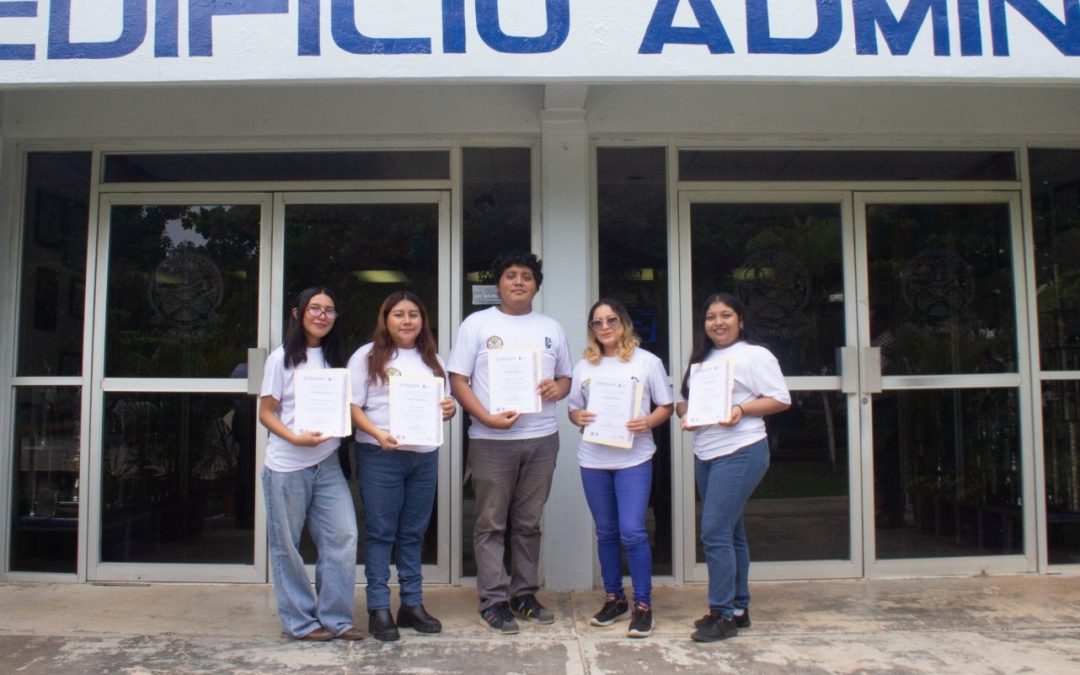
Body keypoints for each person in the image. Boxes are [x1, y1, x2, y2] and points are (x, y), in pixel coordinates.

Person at [447, 251, 572, 634]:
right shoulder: (477, 324)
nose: (519, 282)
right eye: (511, 275)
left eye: (526, 277)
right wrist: (484, 417)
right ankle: (493, 601)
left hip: (541, 439)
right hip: (490, 439)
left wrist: (557, 388)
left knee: (529, 523)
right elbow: (457, 379)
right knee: (490, 523)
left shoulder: (551, 327)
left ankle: (524, 595)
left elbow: (566, 378)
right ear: (498, 283)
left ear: (536, 285)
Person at [676, 292, 790, 643]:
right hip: (706, 452)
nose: (718, 322)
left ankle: (721, 614)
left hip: (741, 450)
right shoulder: (703, 358)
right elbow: (685, 402)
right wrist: (688, 417)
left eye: (726, 315)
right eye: (711, 317)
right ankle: (739, 609)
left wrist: (741, 410)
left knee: (713, 531)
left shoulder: (754, 355)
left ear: (740, 320)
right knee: (731, 531)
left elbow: (780, 398)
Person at [347, 290, 456, 641]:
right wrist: (378, 434)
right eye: (398, 314)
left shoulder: (433, 359)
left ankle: (411, 604)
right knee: (381, 533)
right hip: (381, 455)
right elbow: (351, 406)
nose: (406, 320)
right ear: (385, 318)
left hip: (423, 455)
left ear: (422, 320)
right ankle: (378, 608)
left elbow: (446, 403)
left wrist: (449, 409)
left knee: (413, 533)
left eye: (413, 314)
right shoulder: (366, 356)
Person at [258, 286, 362, 641]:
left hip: (327, 464)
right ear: (297, 313)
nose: (321, 315)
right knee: (287, 545)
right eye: (314, 308)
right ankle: (300, 622)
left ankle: (336, 618)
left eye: (329, 310)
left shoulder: (336, 360)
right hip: (287, 467)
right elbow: (266, 413)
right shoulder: (281, 358)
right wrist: (294, 437)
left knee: (343, 537)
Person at [567, 298, 673, 639]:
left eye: (611, 320)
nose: (605, 328)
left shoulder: (646, 362)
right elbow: (573, 410)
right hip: (594, 459)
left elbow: (666, 406)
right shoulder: (584, 366)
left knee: (632, 531)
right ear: (591, 330)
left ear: (624, 322)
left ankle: (643, 605)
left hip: (633, 458)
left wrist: (648, 421)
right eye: (597, 323)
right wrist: (577, 417)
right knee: (607, 532)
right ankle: (614, 598)